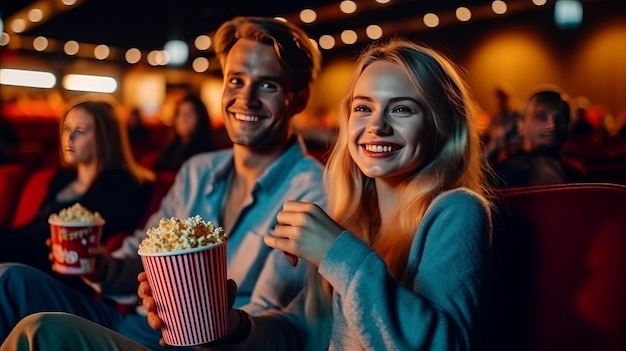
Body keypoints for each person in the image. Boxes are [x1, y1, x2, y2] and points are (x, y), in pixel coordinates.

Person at [2, 39, 494, 351]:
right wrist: (230, 325)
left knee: (41, 333)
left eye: (402, 109)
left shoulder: (454, 210)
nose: (376, 125)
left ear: (441, 124)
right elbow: (300, 334)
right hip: (172, 330)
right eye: (363, 108)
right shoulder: (352, 216)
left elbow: (442, 344)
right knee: (20, 300)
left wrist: (337, 253)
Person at [0, 16, 325, 350]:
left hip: (209, 344)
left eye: (267, 85)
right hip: (136, 324)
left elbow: (287, 324)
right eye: (236, 81)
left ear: (298, 100)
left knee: (41, 331)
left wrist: (225, 325)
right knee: (8, 280)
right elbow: (144, 251)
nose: (246, 99)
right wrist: (103, 267)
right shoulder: (197, 170)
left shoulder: (313, 192)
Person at [0, 99, 154, 293]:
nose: (69, 137)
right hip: (28, 256)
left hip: (67, 277)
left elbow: (87, 238)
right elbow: (34, 227)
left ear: (104, 138)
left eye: (80, 130)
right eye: (66, 129)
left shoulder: (123, 185)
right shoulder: (62, 178)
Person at [489, 89, 571, 187]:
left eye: (559, 118)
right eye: (541, 117)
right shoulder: (505, 172)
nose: (552, 126)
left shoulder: (572, 172)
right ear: (521, 125)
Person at [151, 93, 217, 172]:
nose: (183, 119)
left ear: (201, 118)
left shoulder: (206, 153)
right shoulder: (170, 148)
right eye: (180, 114)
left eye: (189, 114)